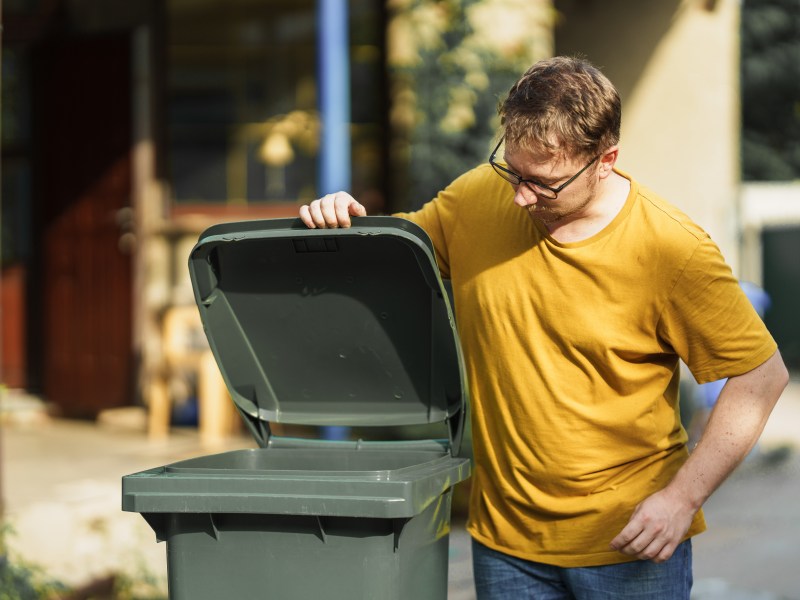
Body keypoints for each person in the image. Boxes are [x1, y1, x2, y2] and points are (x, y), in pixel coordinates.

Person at [299, 56, 789, 599]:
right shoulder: (475, 197)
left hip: (629, 548)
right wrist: (345, 220)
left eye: (544, 182)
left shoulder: (671, 250)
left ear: (606, 161)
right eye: (512, 169)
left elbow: (760, 377)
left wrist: (683, 498)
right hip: (505, 547)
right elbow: (390, 261)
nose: (519, 196)